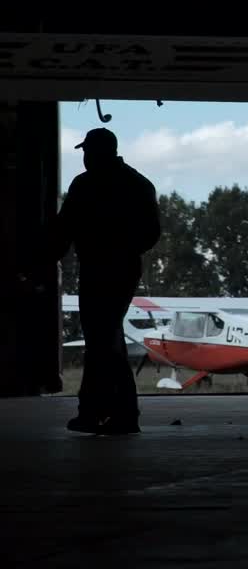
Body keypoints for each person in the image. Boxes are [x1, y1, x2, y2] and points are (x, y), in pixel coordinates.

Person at [53, 127, 161, 435]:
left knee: (102, 340)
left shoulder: (84, 185)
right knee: (106, 337)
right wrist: (124, 250)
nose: (84, 158)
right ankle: (103, 411)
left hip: (96, 271)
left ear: (94, 152)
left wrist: (39, 260)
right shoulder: (139, 184)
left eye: (86, 151)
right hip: (124, 270)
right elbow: (150, 233)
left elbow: (63, 230)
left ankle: (108, 412)